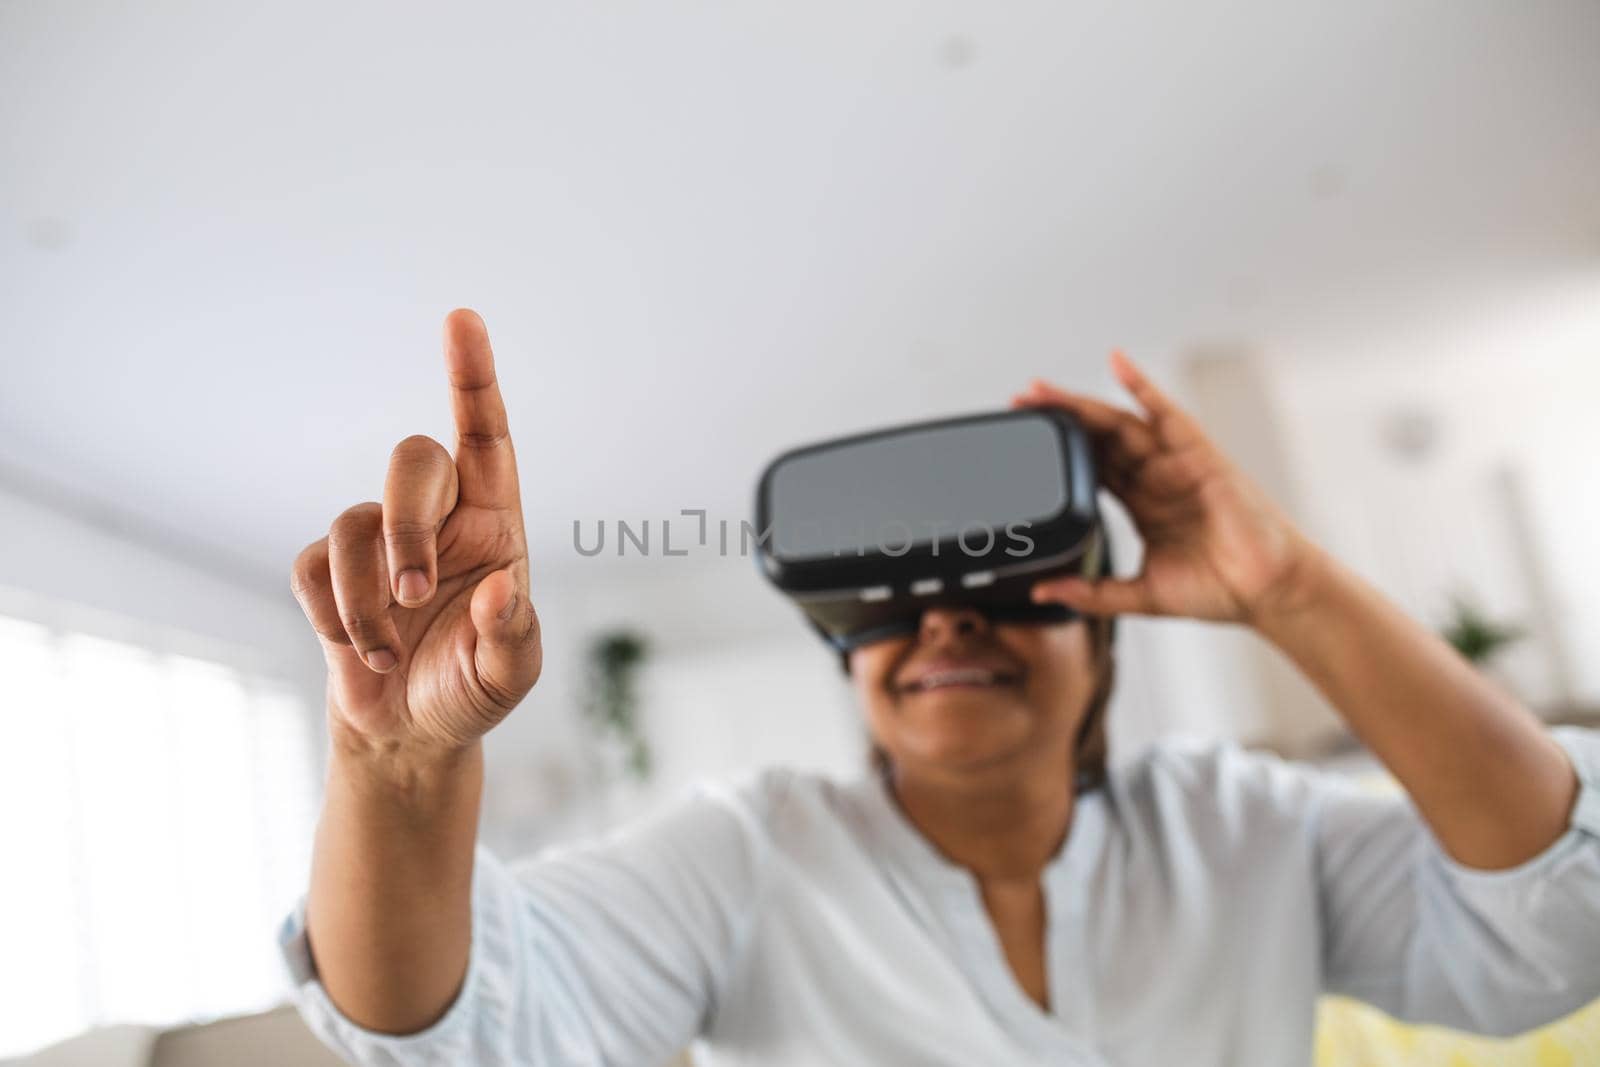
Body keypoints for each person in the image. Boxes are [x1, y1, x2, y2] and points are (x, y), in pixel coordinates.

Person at [279, 309, 1600, 1066]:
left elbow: (1558, 927)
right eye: (891, 604)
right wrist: (398, 767)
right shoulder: (748, 858)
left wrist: (1289, 588)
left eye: (1009, 586)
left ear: (1104, 643)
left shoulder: (1247, 826)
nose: (945, 622)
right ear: (849, 657)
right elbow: (457, 1040)